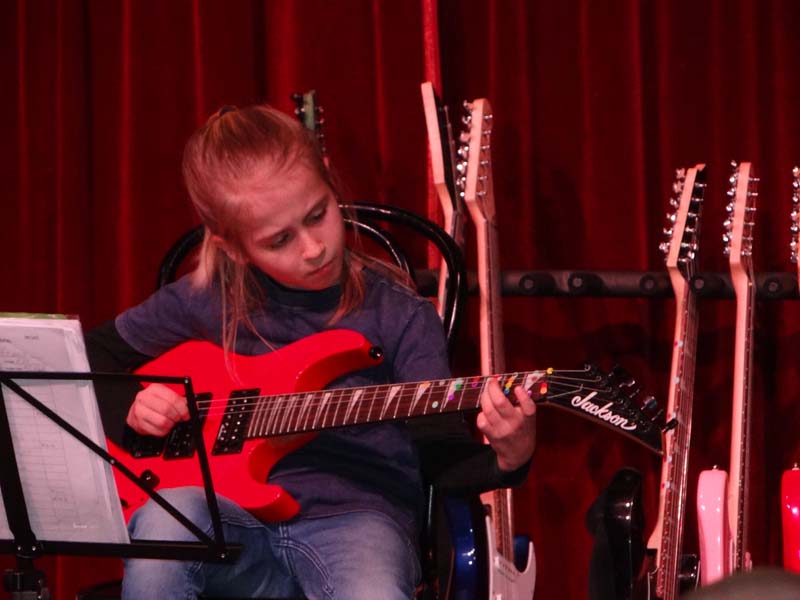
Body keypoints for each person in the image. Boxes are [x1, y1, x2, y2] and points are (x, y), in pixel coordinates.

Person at [87, 103, 537, 600]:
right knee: (162, 521)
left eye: (318, 215)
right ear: (233, 247)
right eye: (279, 240)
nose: (312, 248)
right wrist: (131, 406)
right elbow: (86, 359)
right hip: (231, 526)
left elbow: (442, 457)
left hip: (357, 521)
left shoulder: (401, 316)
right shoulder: (204, 300)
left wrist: (508, 457)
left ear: (330, 182)